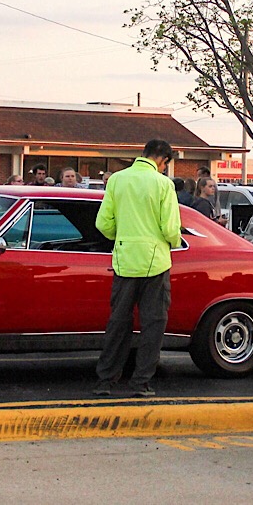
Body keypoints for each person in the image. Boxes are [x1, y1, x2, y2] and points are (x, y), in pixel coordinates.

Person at [93, 139, 182, 398]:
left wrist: (121, 236)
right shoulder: (163, 184)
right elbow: (170, 229)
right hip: (155, 263)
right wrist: (173, 241)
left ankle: (105, 380)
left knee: (118, 323)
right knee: (153, 325)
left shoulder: (117, 180)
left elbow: (103, 223)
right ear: (162, 160)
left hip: (124, 260)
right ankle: (140, 382)